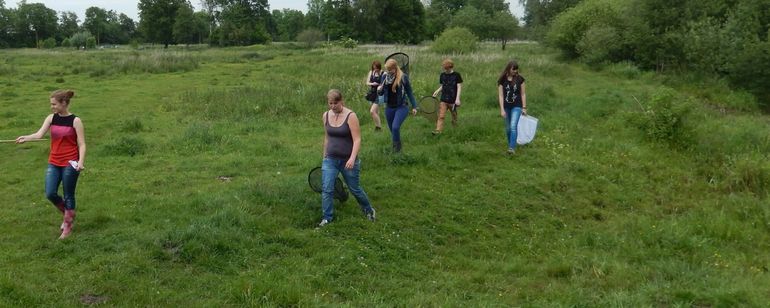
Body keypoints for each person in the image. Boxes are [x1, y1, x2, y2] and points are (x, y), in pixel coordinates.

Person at [16, 90, 86, 239]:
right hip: (54, 161)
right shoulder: (51, 118)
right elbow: (39, 134)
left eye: (54, 104)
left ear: (64, 103)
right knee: (50, 193)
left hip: (70, 162)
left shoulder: (76, 121)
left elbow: (82, 144)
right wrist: (25, 138)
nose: (52, 107)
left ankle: (67, 225)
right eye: (51, 104)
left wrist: (81, 162)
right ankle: (69, 214)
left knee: (68, 195)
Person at [319, 89, 376, 227]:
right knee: (327, 188)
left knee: (354, 188)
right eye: (330, 103)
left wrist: (352, 158)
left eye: (335, 103)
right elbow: (327, 137)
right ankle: (327, 218)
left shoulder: (351, 116)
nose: (333, 106)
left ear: (341, 101)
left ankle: (369, 210)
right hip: (330, 159)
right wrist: (324, 156)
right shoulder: (326, 115)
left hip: (348, 160)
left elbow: (357, 139)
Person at [378, 59, 418, 153]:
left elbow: (409, 92)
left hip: (401, 106)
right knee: (393, 130)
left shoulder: (403, 77)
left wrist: (415, 106)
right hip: (389, 107)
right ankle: (397, 146)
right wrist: (379, 90)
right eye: (387, 70)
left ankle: (397, 152)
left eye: (390, 70)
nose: (388, 72)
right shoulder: (384, 77)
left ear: (395, 68)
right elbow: (381, 93)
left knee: (395, 127)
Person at [498, 60, 527, 154]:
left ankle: (511, 148)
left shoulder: (520, 79)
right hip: (506, 106)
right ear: (508, 68)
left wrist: (524, 107)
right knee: (508, 128)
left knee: (513, 126)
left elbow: (523, 94)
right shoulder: (502, 80)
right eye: (513, 69)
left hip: (517, 106)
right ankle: (511, 143)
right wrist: (502, 109)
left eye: (516, 69)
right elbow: (501, 95)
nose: (515, 71)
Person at [432, 58, 463, 135]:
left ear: (450, 67)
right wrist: (437, 91)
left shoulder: (457, 75)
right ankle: (438, 131)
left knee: (454, 116)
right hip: (443, 99)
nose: (445, 70)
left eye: (447, 69)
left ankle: (455, 131)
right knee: (441, 116)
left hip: (453, 100)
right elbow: (443, 85)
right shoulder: (442, 75)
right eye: (444, 68)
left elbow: (459, 87)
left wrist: (457, 99)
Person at [364, 60, 383, 131]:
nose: (375, 69)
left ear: (379, 67)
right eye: (374, 68)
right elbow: (367, 82)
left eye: (377, 68)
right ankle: (378, 127)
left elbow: (384, 83)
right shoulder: (371, 72)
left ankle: (378, 127)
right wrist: (373, 84)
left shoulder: (383, 73)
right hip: (372, 93)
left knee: (372, 111)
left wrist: (380, 86)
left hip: (380, 94)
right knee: (376, 112)